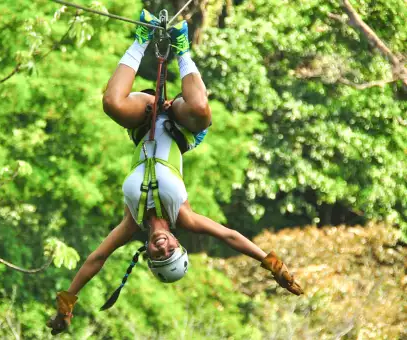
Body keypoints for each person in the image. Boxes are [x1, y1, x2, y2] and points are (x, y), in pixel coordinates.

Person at [47, 10, 303, 335]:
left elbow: (96, 259)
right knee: (201, 110)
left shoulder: (131, 222)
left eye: (159, 255)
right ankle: (182, 48)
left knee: (111, 103)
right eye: (171, 251)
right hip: (183, 127)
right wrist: (272, 265)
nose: (163, 247)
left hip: (144, 121)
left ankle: (141, 38)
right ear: (178, 244)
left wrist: (68, 302)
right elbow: (229, 236)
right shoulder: (184, 216)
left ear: (149, 255)